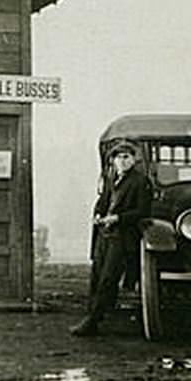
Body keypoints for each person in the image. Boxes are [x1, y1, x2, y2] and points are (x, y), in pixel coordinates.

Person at [70, 140, 152, 337]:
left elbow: (142, 211)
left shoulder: (141, 182)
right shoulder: (111, 178)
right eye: (118, 157)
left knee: (108, 279)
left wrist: (118, 218)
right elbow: (103, 201)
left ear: (134, 160)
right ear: (113, 161)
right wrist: (98, 214)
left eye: (126, 157)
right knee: (97, 277)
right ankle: (94, 315)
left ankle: (92, 322)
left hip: (122, 237)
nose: (122, 161)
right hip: (104, 235)